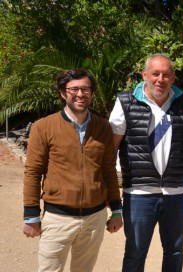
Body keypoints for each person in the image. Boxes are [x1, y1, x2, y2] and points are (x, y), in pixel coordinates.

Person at [22, 69, 123, 272]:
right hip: (58, 218)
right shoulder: (44, 127)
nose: (80, 94)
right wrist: (31, 214)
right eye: (74, 89)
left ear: (92, 93)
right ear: (62, 93)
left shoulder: (102, 127)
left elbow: (108, 170)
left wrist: (116, 210)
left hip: (94, 218)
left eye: (85, 89)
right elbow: (33, 171)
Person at [109, 53, 183, 272]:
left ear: (173, 77)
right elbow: (109, 150)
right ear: (145, 75)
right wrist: (110, 195)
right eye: (155, 74)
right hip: (139, 194)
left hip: (176, 193)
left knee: (175, 252)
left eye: (166, 74)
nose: (161, 79)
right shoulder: (126, 101)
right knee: (135, 253)